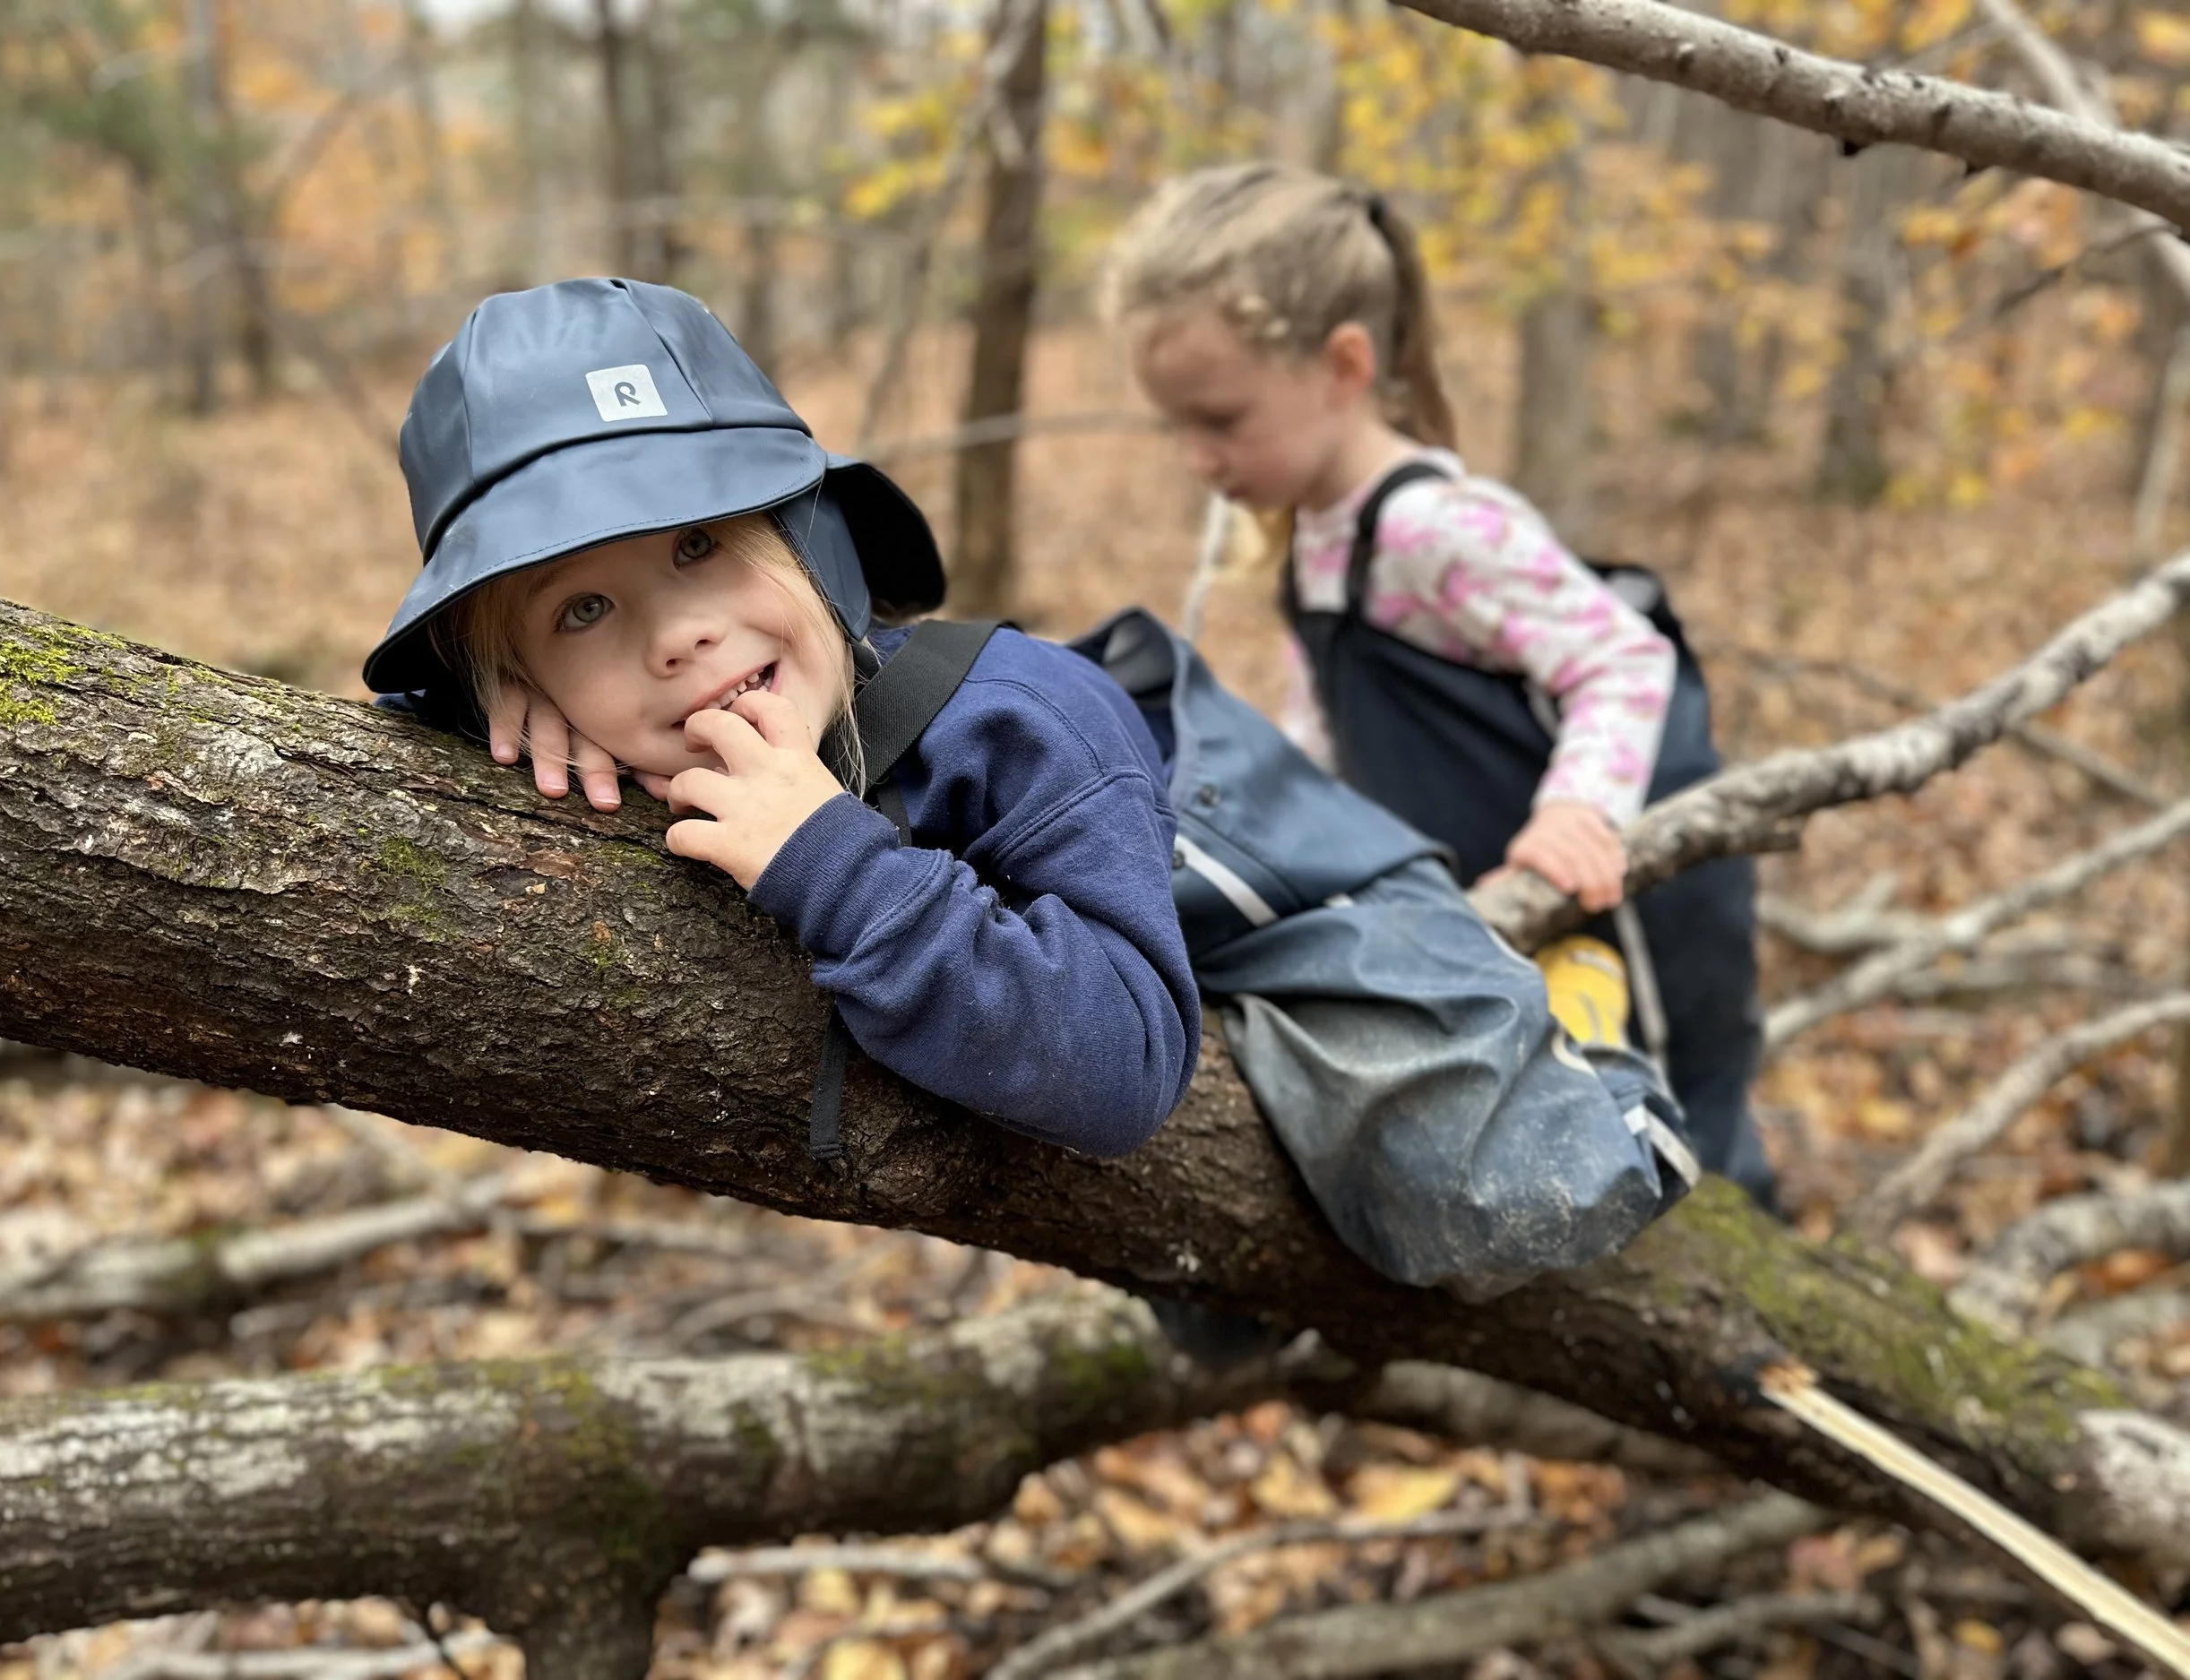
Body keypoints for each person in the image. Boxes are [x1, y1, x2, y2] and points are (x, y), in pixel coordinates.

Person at [364, 276, 1200, 1159]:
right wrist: (495, 703)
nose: (678, 637)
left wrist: (834, 869)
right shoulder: (593, 720)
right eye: (582, 612)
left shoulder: (1025, 723)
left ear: (809, 533)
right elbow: (387, 742)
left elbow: (1132, 1070)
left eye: (698, 544)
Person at [1104, 161, 1772, 1199]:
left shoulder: (1432, 527)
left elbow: (1621, 656)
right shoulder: (1312, 537)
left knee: (1687, 1121)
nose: (1196, 458)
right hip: (1494, 901)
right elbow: (1321, 730)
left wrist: (1578, 814)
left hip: (1622, 894)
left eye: (1221, 419)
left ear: (1342, 366)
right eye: (1174, 426)